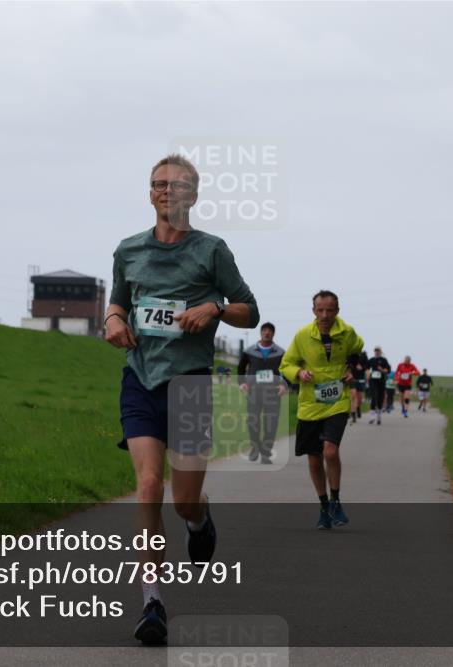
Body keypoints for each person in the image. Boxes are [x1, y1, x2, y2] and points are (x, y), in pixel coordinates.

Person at [104, 154, 259, 645]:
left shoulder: (211, 250)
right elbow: (118, 301)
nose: (165, 192)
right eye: (158, 184)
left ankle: (199, 517)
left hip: (190, 384)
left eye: (175, 185)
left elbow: (250, 311)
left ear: (193, 195)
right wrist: (112, 320)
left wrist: (214, 307)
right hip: (141, 380)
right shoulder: (129, 250)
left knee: (183, 500)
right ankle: (152, 602)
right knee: (149, 484)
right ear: (149, 193)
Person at [279, 291, 363, 530]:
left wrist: (352, 370)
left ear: (337, 311)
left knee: (330, 451)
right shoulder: (303, 335)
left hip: (338, 401)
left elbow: (358, 351)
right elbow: (286, 364)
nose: (325, 315)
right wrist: (299, 373)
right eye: (320, 310)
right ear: (313, 311)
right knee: (314, 458)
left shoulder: (347, 333)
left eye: (330, 310)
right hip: (310, 404)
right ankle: (324, 506)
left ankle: (336, 500)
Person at [237, 323, 287, 464]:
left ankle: (265, 453)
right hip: (254, 392)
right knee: (253, 421)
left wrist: (284, 385)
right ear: (260, 332)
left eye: (269, 331)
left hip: (273, 393)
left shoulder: (281, 352)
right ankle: (255, 448)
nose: (266, 333)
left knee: (271, 423)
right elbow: (241, 368)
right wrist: (242, 382)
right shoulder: (249, 351)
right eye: (264, 330)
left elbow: (286, 370)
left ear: (273, 334)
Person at [366, 347, 391, 425]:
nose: (376, 352)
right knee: (373, 396)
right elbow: (367, 368)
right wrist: (368, 374)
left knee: (380, 398)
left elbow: (388, 370)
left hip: (381, 381)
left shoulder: (384, 360)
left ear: (380, 352)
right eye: (375, 351)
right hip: (373, 381)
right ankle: (372, 416)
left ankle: (379, 415)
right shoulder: (371, 360)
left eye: (378, 351)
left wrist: (382, 370)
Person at [348, 349, 369, 424]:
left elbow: (367, 368)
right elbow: (347, 366)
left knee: (359, 399)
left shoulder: (364, 356)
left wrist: (367, 377)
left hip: (361, 380)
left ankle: (358, 407)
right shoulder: (351, 355)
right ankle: (353, 415)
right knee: (353, 396)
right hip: (352, 379)